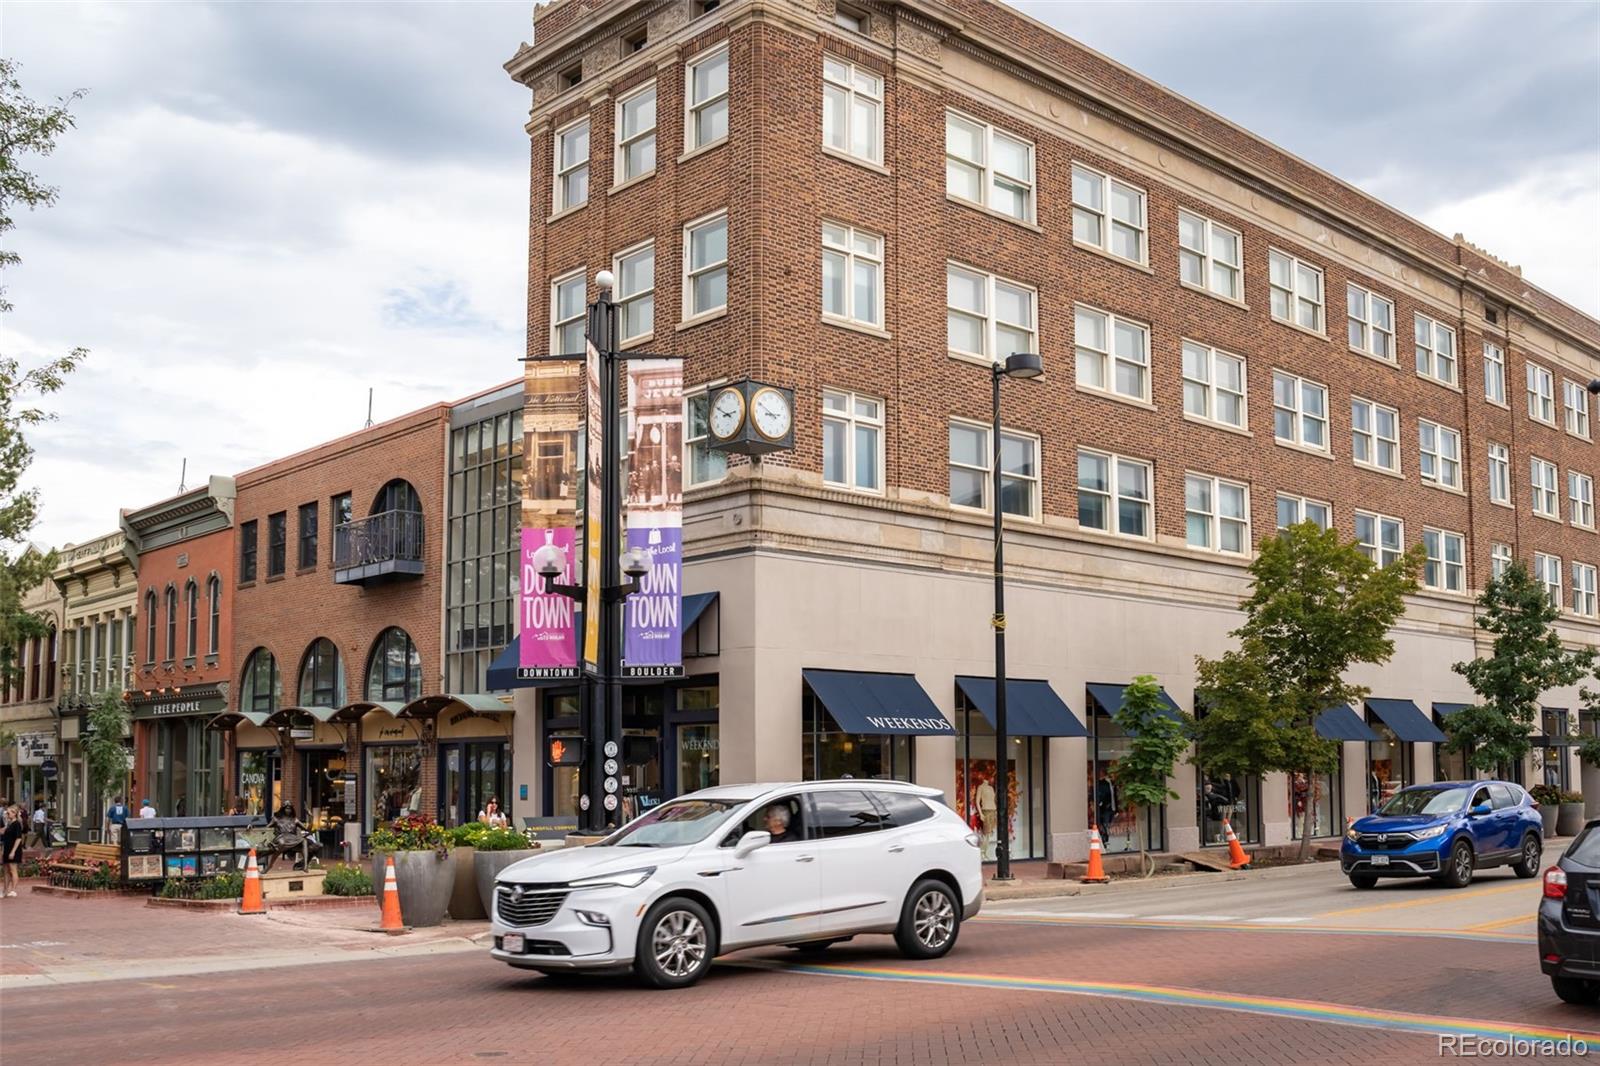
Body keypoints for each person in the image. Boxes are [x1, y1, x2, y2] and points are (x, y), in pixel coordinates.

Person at [2, 807, 23, 897]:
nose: (7, 814)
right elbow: (3, 833)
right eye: (7, 813)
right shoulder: (9, 824)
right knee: (6, 870)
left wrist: (13, 851)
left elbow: (18, 838)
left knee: (12, 869)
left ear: (14, 814)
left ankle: (13, 890)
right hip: (6, 849)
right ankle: (5, 890)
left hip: (14, 850)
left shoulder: (17, 824)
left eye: (9, 813)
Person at [1094, 768, 1117, 845]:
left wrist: (1116, 809)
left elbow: (1114, 796)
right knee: (1104, 823)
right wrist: (1101, 803)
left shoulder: (1113, 783)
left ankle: (1106, 839)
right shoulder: (1102, 783)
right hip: (1105, 808)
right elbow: (1102, 794)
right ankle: (1104, 839)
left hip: (1111, 808)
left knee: (1108, 823)